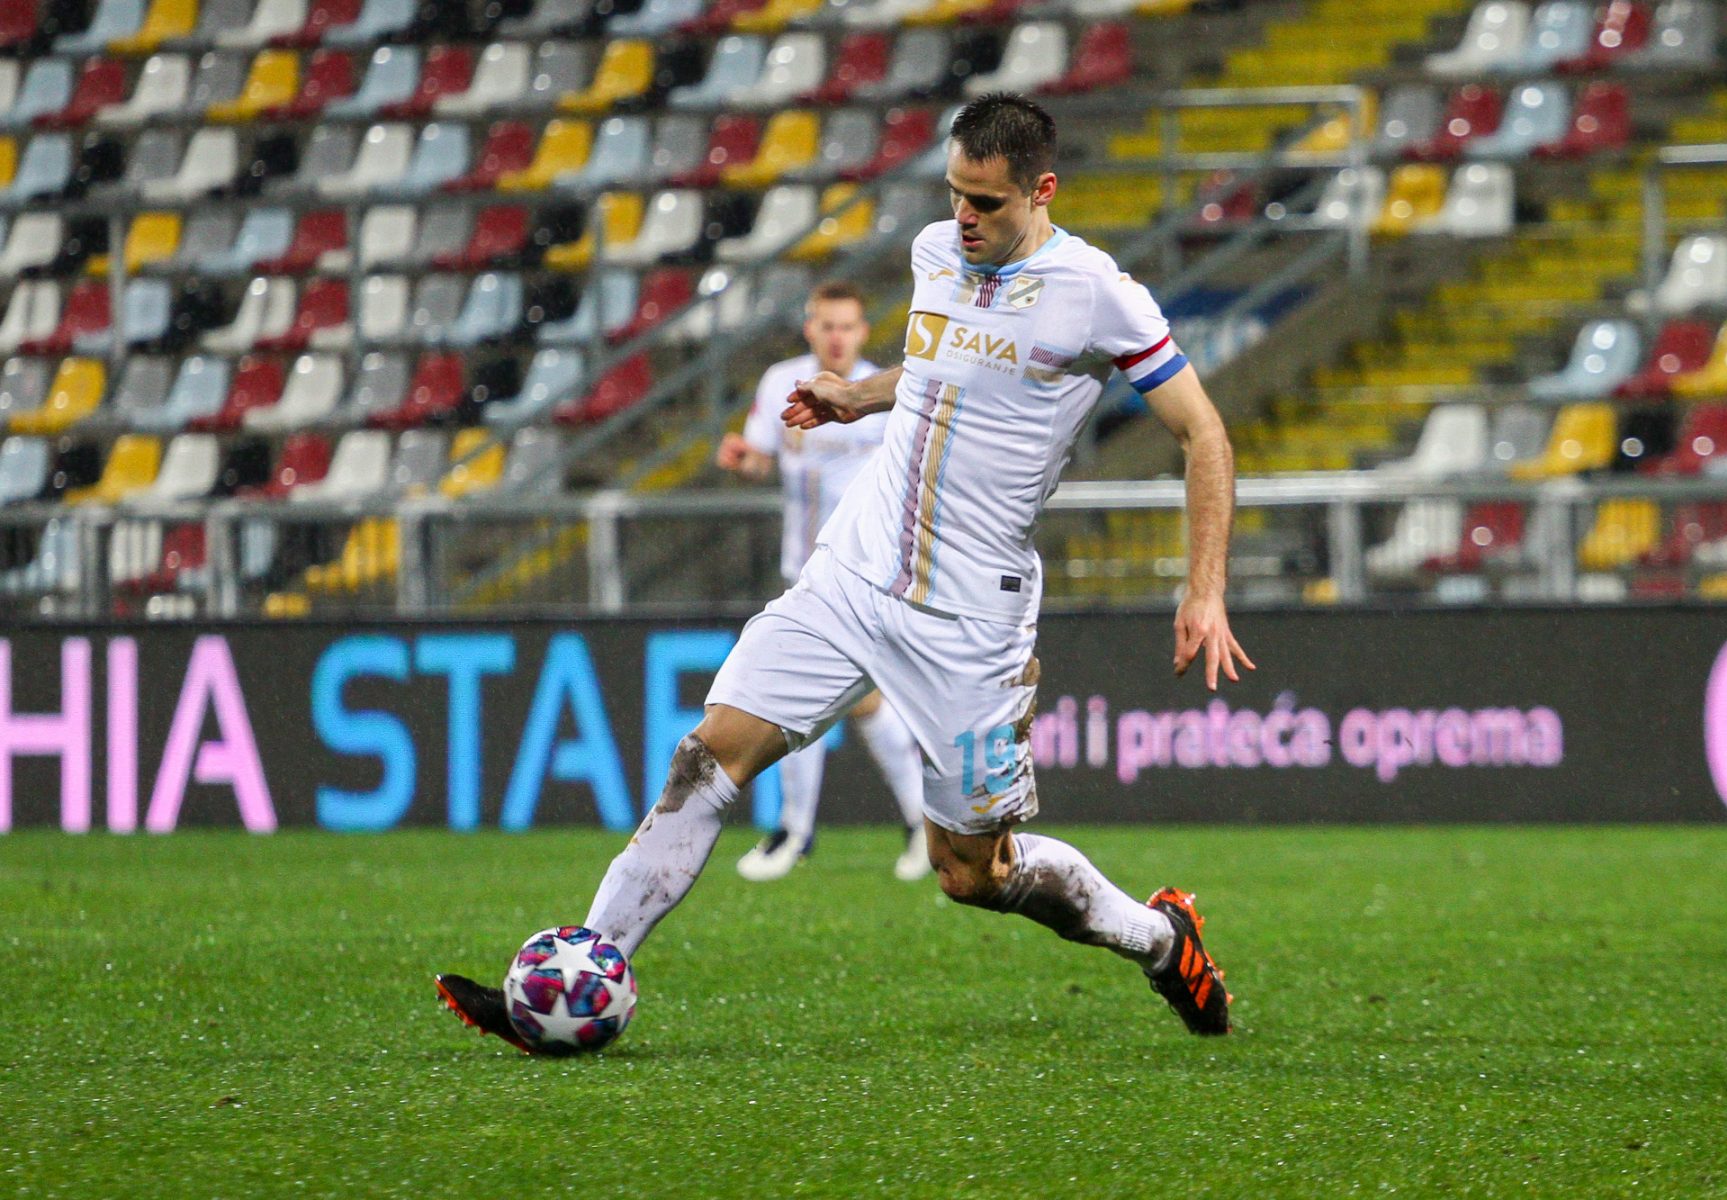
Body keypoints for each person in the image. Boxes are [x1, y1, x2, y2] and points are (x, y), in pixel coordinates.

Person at [437, 92, 1254, 1048]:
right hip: (853, 572)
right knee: (708, 756)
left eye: (986, 202)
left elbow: (1204, 433)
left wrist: (1204, 588)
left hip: (969, 617)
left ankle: (1161, 941)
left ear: (1043, 191)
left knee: (971, 873)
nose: (963, 217)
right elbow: (938, 363)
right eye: (954, 193)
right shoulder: (937, 252)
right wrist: (857, 397)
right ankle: (579, 982)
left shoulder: (1097, 294)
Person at [714, 280, 932, 883]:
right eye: (827, 325)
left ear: (862, 332)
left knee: (801, 693)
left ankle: (798, 833)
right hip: (802, 568)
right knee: (852, 701)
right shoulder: (780, 383)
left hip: (866, 571)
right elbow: (764, 459)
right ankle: (916, 825)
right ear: (810, 328)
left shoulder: (882, 392)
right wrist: (743, 460)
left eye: (847, 326)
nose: (837, 337)